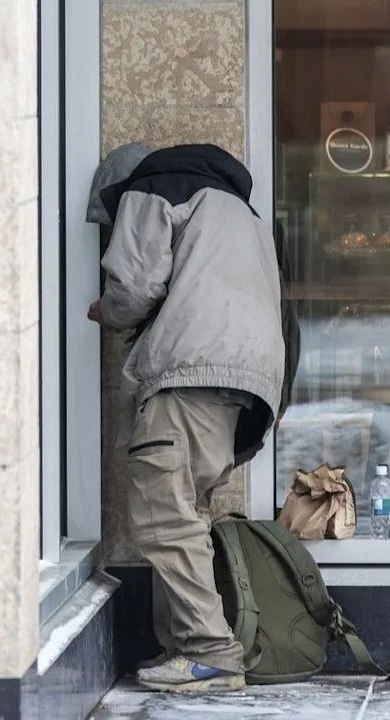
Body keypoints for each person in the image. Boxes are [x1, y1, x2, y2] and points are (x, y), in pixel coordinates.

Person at [86, 143, 286, 693]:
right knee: (183, 510)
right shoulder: (237, 210)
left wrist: (107, 309)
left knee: (162, 515)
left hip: (191, 368)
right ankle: (181, 647)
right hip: (247, 379)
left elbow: (133, 282)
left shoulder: (156, 188)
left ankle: (210, 653)